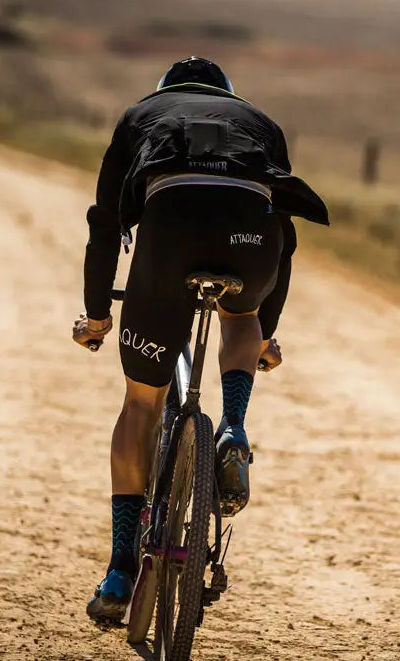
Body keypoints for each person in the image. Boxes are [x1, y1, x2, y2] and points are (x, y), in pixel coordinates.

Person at [72, 57, 329, 625]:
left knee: (142, 404)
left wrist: (96, 315)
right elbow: (284, 236)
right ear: (228, 97)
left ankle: (119, 570)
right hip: (250, 236)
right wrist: (267, 331)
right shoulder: (259, 122)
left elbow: (105, 223)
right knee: (242, 317)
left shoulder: (140, 116)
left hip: (171, 229)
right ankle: (233, 425)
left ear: (167, 92)